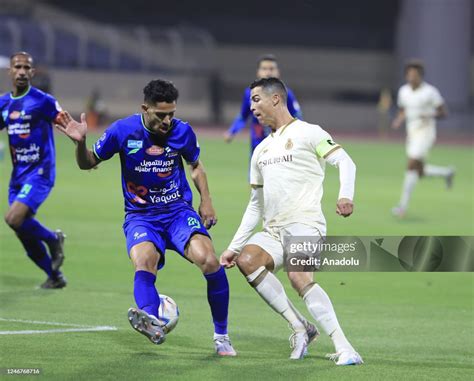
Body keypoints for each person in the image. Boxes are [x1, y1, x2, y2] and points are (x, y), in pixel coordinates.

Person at [55, 79, 236, 356]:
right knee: (143, 262)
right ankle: (152, 321)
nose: (167, 121)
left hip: (177, 211)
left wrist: (206, 201)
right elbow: (88, 162)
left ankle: (222, 337)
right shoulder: (122, 131)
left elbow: (196, 166)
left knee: (210, 261)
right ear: (145, 108)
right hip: (141, 216)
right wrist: (80, 144)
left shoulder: (182, 132)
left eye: (171, 114)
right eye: (161, 115)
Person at [220, 78, 362, 364]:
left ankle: (345, 347)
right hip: (272, 230)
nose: (252, 108)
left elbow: (346, 162)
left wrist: (345, 195)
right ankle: (300, 327)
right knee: (248, 260)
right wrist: (234, 247)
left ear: (276, 99)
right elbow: (255, 204)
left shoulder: (309, 132)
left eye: (256, 100)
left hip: (305, 223)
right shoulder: (260, 150)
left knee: (298, 276)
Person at [0, 52, 66, 289]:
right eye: (17, 67)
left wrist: (81, 142)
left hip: (40, 173)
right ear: (10, 71)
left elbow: (65, 123)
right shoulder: (4, 103)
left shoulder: (43, 101)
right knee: (22, 231)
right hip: (17, 178)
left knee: (12, 219)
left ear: (32, 72)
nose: (21, 71)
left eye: (26, 67)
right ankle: (54, 276)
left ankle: (52, 239)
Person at [391, 60, 454, 217]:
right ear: (406, 75)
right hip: (412, 132)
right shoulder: (403, 91)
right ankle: (446, 173)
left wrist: (429, 114)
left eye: (415, 75)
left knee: (411, 164)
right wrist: (399, 119)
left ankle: (402, 206)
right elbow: (403, 110)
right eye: (409, 74)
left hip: (426, 132)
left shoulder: (430, 92)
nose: (412, 77)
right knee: (418, 171)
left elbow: (444, 112)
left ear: (420, 76)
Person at [224, 54, 302, 155]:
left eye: (272, 68)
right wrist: (232, 131)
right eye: (264, 68)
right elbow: (243, 116)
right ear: (258, 72)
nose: (268, 72)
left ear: (278, 72)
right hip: (257, 145)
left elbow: (297, 117)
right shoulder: (249, 93)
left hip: (280, 145)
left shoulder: (287, 94)